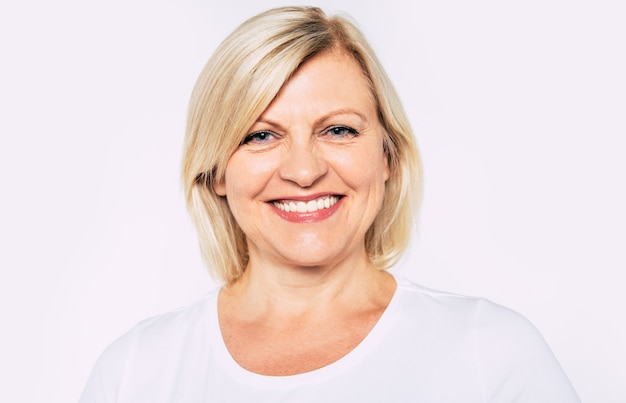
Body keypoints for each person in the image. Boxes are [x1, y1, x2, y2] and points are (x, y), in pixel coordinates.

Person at [80, 6, 580, 402]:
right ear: (216, 173)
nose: (303, 170)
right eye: (260, 136)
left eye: (338, 129)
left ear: (388, 156)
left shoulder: (489, 352)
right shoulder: (134, 371)